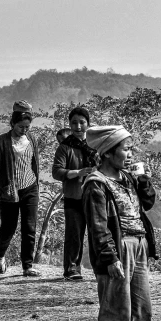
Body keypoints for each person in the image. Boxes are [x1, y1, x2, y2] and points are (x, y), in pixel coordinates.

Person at [83, 125, 156, 321]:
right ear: (107, 153)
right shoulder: (96, 184)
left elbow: (147, 204)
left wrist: (144, 180)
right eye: (126, 149)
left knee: (142, 309)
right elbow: (98, 226)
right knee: (116, 311)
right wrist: (110, 258)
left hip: (139, 245)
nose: (130, 154)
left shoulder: (128, 178)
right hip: (119, 246)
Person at [0, 100, 41, 277]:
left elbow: (35, 164)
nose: (24, 130)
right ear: (13, 124)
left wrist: (37, 185)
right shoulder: (2, 141)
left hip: (30, 186)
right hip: (10, 191)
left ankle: (27, 266)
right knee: (8, 227)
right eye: (21, 127)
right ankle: (0, 256)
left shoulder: (31, 139)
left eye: (27, 127)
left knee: (29, 227)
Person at [52, 107, 99, 281]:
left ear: (88, 123)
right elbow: (57, 171)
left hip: (95, 196)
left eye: (82, 122)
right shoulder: (65, 147)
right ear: (69, 124)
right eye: (74, 122)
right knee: (74, 236)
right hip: (73, 196)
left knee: (98, 234)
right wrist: (78, 172)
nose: (78, 126)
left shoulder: (96, 145)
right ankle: (72, 269)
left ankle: (100, 268)